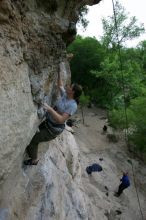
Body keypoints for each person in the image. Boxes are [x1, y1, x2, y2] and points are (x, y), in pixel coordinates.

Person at [24, 66, 82, 165]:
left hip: (53, 129)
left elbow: (61, 120)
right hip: (48, 122)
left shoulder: (72, 105)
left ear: (72, 92)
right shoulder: (66, 95)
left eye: (70, 86)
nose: (68, 86)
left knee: (33, 139)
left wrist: (50, 109)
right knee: (34, 132)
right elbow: (60, 85)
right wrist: (59, 72)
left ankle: (34, 160)